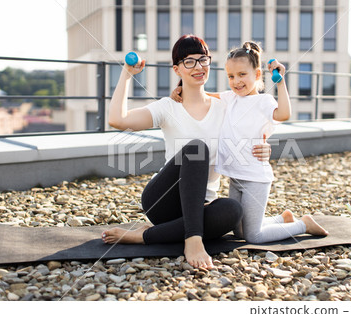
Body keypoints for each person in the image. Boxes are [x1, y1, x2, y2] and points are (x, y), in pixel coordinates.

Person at [101, 35, 271, 269]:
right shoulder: (167, 106)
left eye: (203, 60)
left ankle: (144, 236)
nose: (198, 67)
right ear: (177, 69)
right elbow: (117, 119)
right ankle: (193, 238)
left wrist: (264, 146)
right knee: (195, 148)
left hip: (203, 206)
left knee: (233, 210)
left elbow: (254, 122)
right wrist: (126, 74)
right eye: (189, 62)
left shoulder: (226, 107)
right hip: (164, 201)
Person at [171, 41, 328, 244]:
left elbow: (284, 113)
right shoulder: (231, 98)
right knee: (238, 232)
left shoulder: (264, 102)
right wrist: (181, 90)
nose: (236, 81)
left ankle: (303, 225)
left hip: (255, 178)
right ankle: (282, 219)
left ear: (257, 74)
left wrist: (280, 82)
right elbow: (204, 95)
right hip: (235, 177)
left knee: (254, 236)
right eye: (231, 76)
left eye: (242, 75)